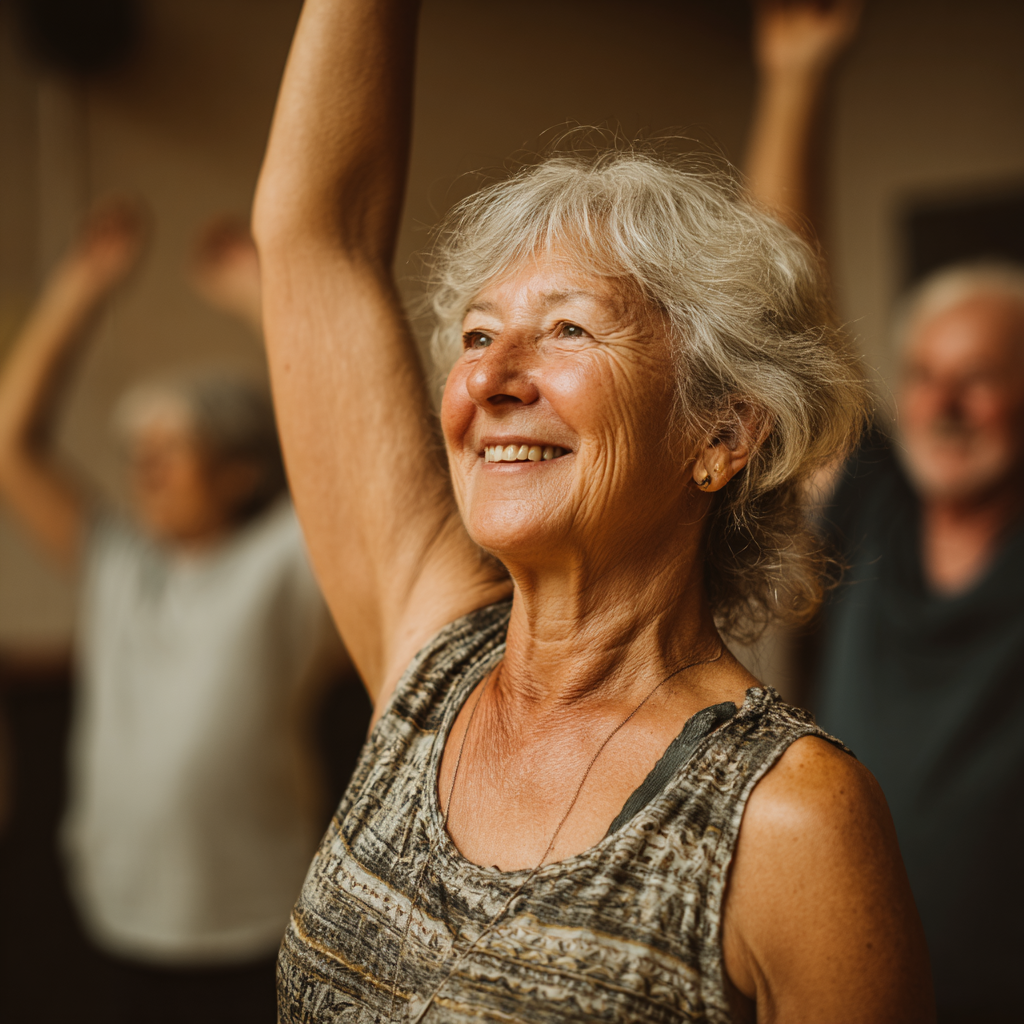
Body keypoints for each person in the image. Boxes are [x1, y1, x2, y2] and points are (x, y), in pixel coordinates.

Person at [252, 1, 935, 1021]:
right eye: (479, 335)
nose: (491, 378)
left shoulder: (789, 818)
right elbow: (317, 238)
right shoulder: (429, 653)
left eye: (565, 329)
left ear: (719, 435)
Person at [744, 3, 1024, 1021]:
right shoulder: (877, 501)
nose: (945, 404)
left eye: (983, 377)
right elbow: (787, 320)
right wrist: (797, 81)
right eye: (924, 376)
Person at [0, 201, 333, 1023]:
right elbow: (12, 445)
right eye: (137, 447)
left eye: (172, 445)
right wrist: (81, 288)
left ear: (239, 473)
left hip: (258, 925)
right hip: (110, 912)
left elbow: (341, 435)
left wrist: (263, 294)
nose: (144, 462)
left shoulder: (287, 558)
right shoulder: (118, 560)